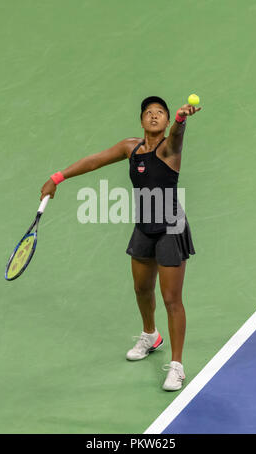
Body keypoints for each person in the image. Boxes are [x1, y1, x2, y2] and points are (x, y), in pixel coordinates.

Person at [40, 96, 201, 391]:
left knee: (171, 299)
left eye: (160, 114)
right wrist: (57, 177)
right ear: (141, 121)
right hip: (144, 226)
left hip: (170, 228)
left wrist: (181, 119)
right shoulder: (131, 148)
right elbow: (95, 160)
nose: (154, 116)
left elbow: (178, 135)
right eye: (149, 113)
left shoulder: (170, 148)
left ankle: (177, 366)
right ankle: (151, 335)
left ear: (166, 122)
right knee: (141, 288)